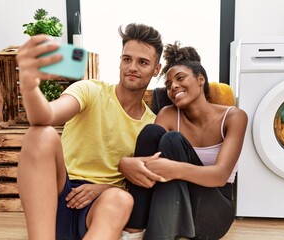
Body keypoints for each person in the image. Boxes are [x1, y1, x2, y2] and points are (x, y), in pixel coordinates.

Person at [16, 23, 164, 240]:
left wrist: (102, 189)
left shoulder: (152, 126)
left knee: (121, 199)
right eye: (127, 59)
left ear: (156, 69)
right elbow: (45, 116)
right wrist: (29, 85)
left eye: (142, 62)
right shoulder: (90, 90)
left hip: (100, 206)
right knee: (40, 134)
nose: (132, 67)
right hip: (60, 190)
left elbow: (140, 187)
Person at [119, 42, 248, 240]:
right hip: (172, 204)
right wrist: (125, 163)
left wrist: (175, 169)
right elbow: (150, 159)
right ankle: (134, 231)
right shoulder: (168, 114)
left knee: (173, 140)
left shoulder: (234, 117)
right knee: (152, 133)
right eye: (169, 85)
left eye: (180, 79)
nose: (174, 87)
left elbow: (220, 175)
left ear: (200, 79)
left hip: (213, 209)